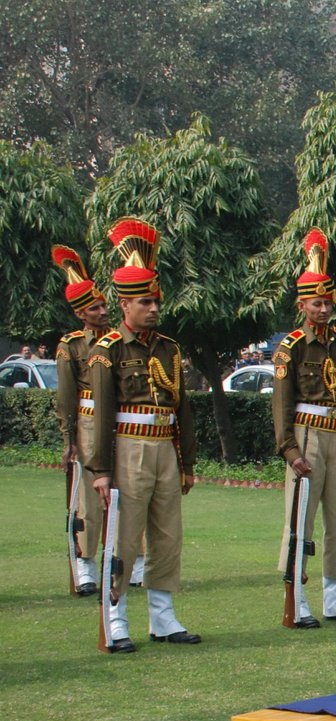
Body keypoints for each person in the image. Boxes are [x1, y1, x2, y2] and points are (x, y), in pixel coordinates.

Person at [84, 218, 200, 651]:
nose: (153, 309)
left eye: (155, 301)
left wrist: (187, 461)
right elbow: (101, 414)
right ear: (124, 305)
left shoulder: (169, 348)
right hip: (127, 448)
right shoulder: (108, 350)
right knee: (125, 535)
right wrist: (100, 469)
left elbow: (182, 409)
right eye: (144, 302)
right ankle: (115, 616)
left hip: (164, 449)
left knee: (168, 535)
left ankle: (163, 616)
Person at [271, 229, 336, 628]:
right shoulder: (291, 347)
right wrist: (289, 450)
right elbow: (281, 405)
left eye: (328, 302)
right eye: (316, 302)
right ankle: (296, 594)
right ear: (302, 305)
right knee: (300, 521)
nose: (324, 309)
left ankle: (335, 596)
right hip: (306, 433)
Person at [51, 244, 110, 596]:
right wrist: (69, 439)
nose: (103, 312)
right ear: (81, 314)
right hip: (87, 421)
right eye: (95, 308)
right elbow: (66, 398)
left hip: (118, 423)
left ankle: (127, 559)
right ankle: (85, 562)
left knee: (125, 491)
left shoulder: (118, 340)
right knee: (87, 497)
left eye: (104, 305)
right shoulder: (71, 346)